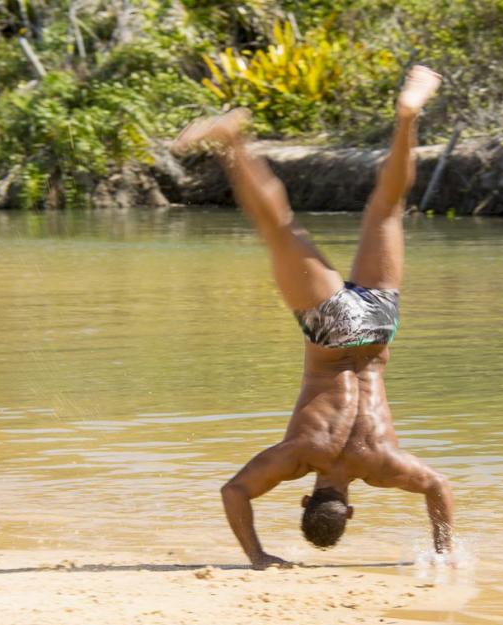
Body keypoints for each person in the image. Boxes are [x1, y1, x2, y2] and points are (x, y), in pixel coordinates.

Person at [172, 65, 455, 570]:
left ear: (348, 508)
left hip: (376, 328)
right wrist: (255, 555)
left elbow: (437, 487)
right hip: (330, 330)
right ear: (306, 499)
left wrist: (444, 551)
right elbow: (234, 492)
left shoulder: (382, 464)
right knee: (278, 227)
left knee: (387, 210)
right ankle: (232, 141)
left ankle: (409, 119)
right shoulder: (298, 455)